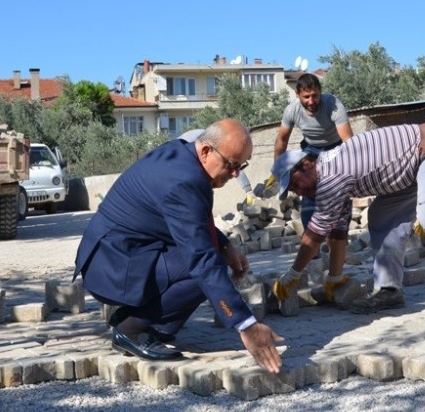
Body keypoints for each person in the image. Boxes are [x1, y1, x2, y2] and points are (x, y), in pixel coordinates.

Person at [75, 119, 284, 372]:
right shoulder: (184, 181)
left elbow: (191, 222)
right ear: (206, 151)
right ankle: (131, 330)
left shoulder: (181, 156)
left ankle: (142, 320)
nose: (236, 174)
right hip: (112, 267)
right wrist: (246, 324)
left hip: (120, 254)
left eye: (241, 166)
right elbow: (201, 259)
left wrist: (225, 244)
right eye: (231, 165)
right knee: (207, 267)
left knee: (211, 257)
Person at [270, 123, 425, 333]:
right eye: (292, 190)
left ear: (307, 164)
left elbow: (315, 235)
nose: (298, 192)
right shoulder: (332, 175)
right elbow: (337, 233)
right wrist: (334, 279)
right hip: (408, 170)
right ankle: (389, 290)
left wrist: (293, 273)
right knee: (381, 217)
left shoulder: (330, 175)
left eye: (295, 184)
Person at [273, 72, 354, 297]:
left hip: (336, 150)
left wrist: (349, 170)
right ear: (298, 95)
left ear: (320, 92)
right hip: (310, 150)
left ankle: (335, 244)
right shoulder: (292, 110)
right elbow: (281, 139)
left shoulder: (333, 105)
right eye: (306, 97)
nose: (311, 101)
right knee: (310, 200)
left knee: (338, 205)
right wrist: (278, 170)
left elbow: (349, 141)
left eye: (315, 95)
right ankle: (314, 246)